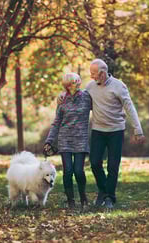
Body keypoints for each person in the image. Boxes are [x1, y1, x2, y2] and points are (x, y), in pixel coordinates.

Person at [58, 59, 146, 209]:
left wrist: (138, 130)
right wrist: (62, 95)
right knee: (94, 164)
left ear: (102, 73)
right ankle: (104, 190)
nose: (91, 76)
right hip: (98, 131)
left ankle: (109, 198)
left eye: (93, 73)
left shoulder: (119, 86)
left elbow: (130, 108)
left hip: (116, 131)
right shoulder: (91, 87)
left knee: (113, 166)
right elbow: (77, 97)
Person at [44, 72, 92, 209]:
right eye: (71, 83)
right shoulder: (62, 100)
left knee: (78, 170)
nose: (75, 84)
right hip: (64, 139)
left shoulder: (87, 97)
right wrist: (49, 140)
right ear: (67, 85)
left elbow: (100, 107)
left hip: (80, 139)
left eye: (76, 81)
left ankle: (83, 198)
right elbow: (57, 122)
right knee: (68, 171)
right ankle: (71, 201)